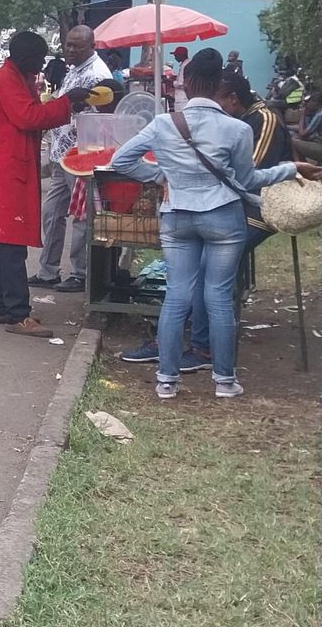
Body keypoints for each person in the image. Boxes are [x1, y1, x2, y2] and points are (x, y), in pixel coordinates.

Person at [108, 50, 322, 399]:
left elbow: (122, 160)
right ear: (217, 84)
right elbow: (248, 180)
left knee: (177, 296)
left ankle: (166, 380)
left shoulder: (163, 123)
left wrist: (160, 174)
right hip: (223, 218)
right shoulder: (237, 129)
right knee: (219, 297)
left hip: (177, 216)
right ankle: (224, 382)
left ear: (187, 84)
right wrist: (292, 168)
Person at [118, 70, 292, 366]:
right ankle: (219, 374)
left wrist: (170, 175)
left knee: (192, 281)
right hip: (224, 210)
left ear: (231, 98)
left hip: (255, 210)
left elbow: (244, 179)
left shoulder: (261, 120)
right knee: (213, 291)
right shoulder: (236, 123)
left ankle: (193, 354)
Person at [0, 31, 92, 338]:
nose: (41, 64)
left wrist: (67, 103)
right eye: (38, 58)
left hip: (11, 164)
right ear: (23, 57)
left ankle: (0, 305)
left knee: (3, 239)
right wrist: (67, 102)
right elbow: (28, 117)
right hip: (10, 168)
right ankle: (17, 314)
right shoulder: (7, 79)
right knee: (11, 241)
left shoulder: (19, 77)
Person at [30, 25, 110, 293]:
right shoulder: (74, 70)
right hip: (60, 154)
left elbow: (98, 116)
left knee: (80, 215)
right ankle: (48, 270)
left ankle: (80, 272)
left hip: (81, 156)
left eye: (77, 46)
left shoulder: (97, 75)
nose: (70, 50)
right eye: (68, 45)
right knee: (52, 213)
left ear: (92, 47)